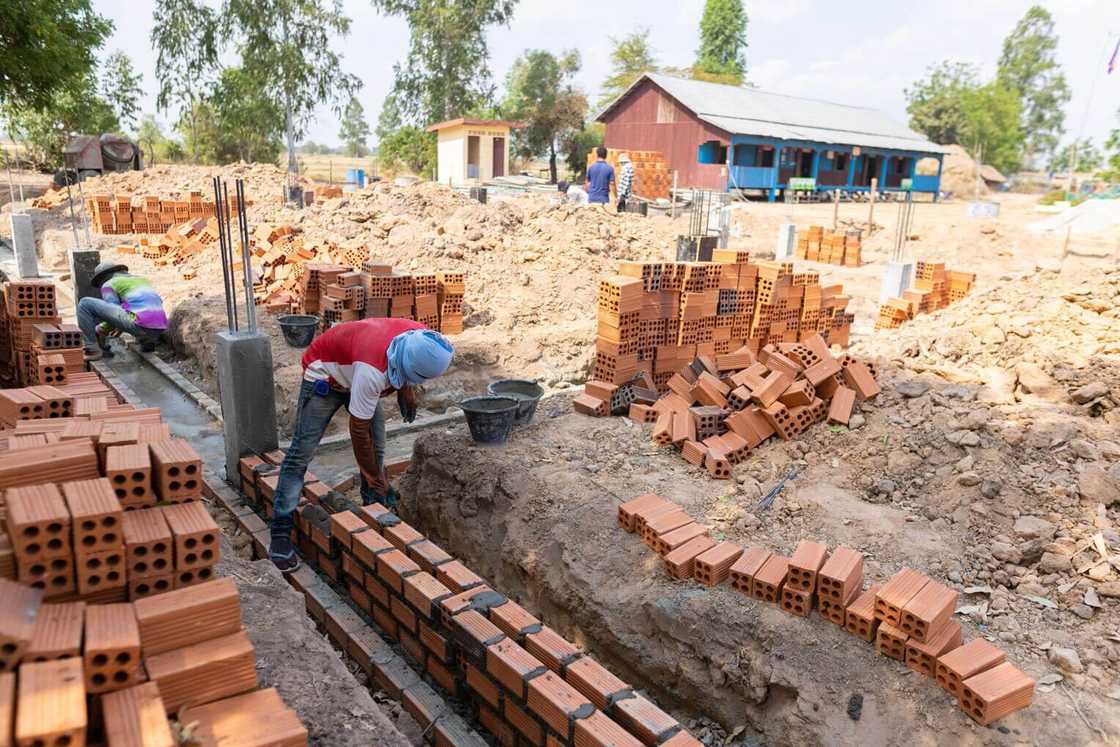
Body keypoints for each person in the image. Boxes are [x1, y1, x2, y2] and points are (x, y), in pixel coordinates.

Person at [268, 317, 454, 572]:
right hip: (326, 375)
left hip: (356, 364)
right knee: (301, 453)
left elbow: (406, 365)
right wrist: (376, 477)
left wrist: (405, 389)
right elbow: (358, 431)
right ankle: (280, 533)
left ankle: (373, 516)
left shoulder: (422, 337)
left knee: (378, 449)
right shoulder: (372, 372)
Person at [79, 262, 168, 360]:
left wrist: (101, 329)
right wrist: (120, 327)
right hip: (160, 326)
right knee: (141, 315)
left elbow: (112, 312)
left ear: (103, 278)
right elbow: (137, 304)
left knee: (84, 303)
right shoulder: (142, 280)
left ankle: (92, 349)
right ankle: (147, 342)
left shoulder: (109, 284)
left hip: (140, 324)